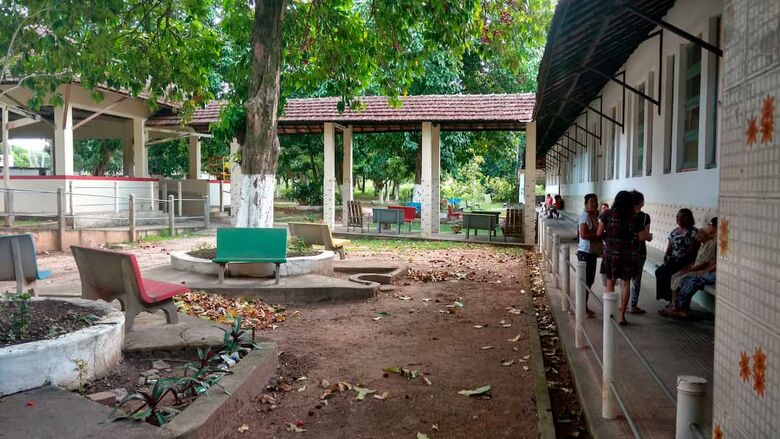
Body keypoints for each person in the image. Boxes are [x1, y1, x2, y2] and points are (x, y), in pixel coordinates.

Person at [597, 190, 650, 325]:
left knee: (610, 281)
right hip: (628, 255)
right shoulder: (634, 217)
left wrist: (609, 238)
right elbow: (641, 237)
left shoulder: (607, 214)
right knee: (626, 283)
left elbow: (598, 233)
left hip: (611, 253)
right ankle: (621, 316)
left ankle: (610, 313)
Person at [659, 217, 718, 318]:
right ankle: (678, 308)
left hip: (715, 273)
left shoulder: (716, 242)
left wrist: (702, 271)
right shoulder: (712, 241)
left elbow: (714, 262)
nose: (708, 226)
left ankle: (678, 308)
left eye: (710, 224)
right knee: (677, 275)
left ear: (715, 226)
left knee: (690, 279)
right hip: (706, 270)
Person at [655, 208, 700, 302]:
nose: (677, 218)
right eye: (677, 216)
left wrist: (679, 259)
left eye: (679, 217)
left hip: (686, 261)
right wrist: (666, 256)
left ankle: (673, 301)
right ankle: (668, 298)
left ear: (687, 218)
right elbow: (669, 246)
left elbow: (692, 251)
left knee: (671, 274)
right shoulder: (675, 231)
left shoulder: (693, 232)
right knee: (659, 272)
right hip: (673, 259)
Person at [577, 194, 602, 318]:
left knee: (589, 281)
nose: (594, 204)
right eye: (591, 202)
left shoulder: (593, 216)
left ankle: (584, 306)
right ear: (586, 203)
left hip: (592, 253)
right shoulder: (585, 216)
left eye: (596, 202)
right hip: (585, 253)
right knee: (585, 281)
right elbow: (583, 234)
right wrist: (599, 235)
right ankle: (582, 308)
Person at [629, 191, 652, 314]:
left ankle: (623, 305)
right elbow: (645, 236)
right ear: (640, 202)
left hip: (627, 250)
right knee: (637, 280)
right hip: (640, 251)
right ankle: (633, 305)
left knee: (626, 279)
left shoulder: (625, 215)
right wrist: (650, 237)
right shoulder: (645, 217)